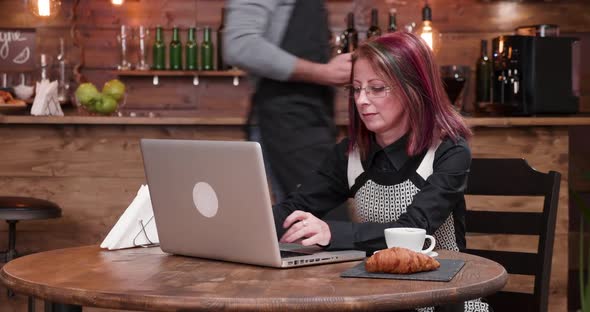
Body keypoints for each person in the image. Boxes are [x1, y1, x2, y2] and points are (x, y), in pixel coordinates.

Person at [272, 31, 490, 312]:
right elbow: (295, 209)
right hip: (377, 300)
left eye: (376, 88)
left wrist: (330, 234)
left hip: (444, 300)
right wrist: (248, 225)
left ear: (413, 89)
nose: (361, 100)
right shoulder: (350, 154)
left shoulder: (450, 152)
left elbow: (414, 230)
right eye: (356, 89)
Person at [223, 0, 351, 203]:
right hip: (283, 124)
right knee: (314, 221)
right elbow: (240, 45)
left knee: (320, 222)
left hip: (311, 121)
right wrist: (323, 72)